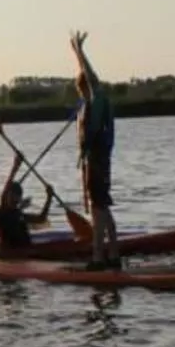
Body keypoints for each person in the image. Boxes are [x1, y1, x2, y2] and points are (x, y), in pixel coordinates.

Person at [71, 30, 120, 269]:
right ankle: (114, 254)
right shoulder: (94, 102)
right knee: (103, 207)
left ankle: (99, 257)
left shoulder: (96, 99)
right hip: (98, 161)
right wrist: (76, 53)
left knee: (99, 211)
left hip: (98, 161)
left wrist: (80, 51)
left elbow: (90, 77)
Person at [0, 157, 55, 248]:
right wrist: (15, 167)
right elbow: (4, 194)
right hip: (9, 254)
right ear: (7, 196)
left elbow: (41, 218)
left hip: (26, 252)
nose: (14, 200)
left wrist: (49, 198)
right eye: (12, 196)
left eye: (17, 196)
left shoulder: (18, 214)